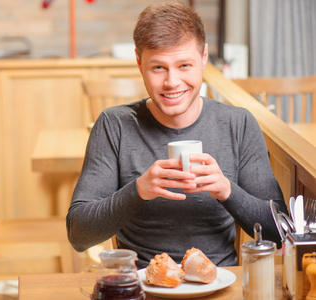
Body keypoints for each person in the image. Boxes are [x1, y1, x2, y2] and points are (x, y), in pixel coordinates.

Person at [66, 1, 288, 268]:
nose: (172, 82)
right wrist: (138, 190)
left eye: (184, 65)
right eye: (158, 67)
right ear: (139, 62)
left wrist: (227, 190)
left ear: (204, 58)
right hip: (142, 287)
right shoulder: (115, 125)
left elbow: (281, 234)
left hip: (220, 284)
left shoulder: (237, 124)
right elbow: (78, 235)